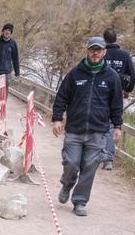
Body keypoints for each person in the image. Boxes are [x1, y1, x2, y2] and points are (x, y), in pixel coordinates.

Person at [51, 37, 124, 217]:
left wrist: (117, 126)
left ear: (104, 52)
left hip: (98, 131)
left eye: (98, 50)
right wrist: (57, 119)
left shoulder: (112, 77)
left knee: (89, 167)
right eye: (92, 49)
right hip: (75, 129)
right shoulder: (75, 74)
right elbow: (61, 97)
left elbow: (117, 104)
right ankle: (67, 183)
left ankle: (80, 201)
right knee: (71, 163)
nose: (95, 53)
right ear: (87, 51)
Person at [100, 28, 135, 170]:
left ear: (104, 39)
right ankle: (108, 158)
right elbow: (132, 76)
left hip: (100, 92)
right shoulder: (124, 55)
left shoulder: (100, 53)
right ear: (116, 39)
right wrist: (127, 90)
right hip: (117, 95)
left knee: (97, 122)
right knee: (111, 124)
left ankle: (98, 154)